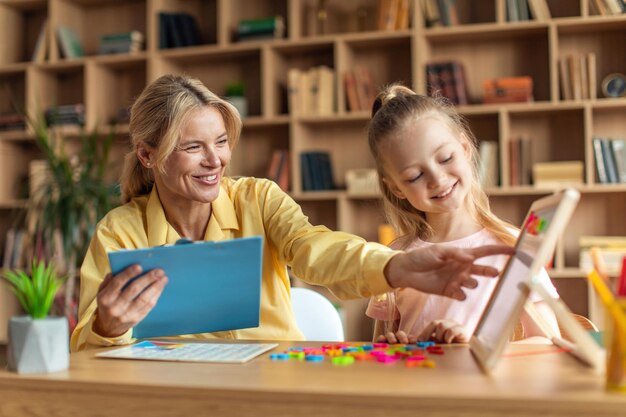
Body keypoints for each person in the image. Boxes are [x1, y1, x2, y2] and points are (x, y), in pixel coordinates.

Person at [70, 75, 513, 352]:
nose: (216, 161)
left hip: (271, 384)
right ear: (148, 156)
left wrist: (395, 265)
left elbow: (316, 250)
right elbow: (86, 349)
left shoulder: (259, 199)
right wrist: (108, 326)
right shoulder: (119, 233)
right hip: (174, 395)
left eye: (221, 142)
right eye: (193, 148)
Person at [365, 84, 560, 344]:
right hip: (418, 383)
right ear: (396, 188)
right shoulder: (395, 259)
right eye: (415, 176)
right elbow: (380, 348)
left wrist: (472, 345)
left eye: (445, 158)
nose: (437, 179)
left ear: (465, 148)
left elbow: (548, 342)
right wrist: (395, 348)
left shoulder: (510, 245)